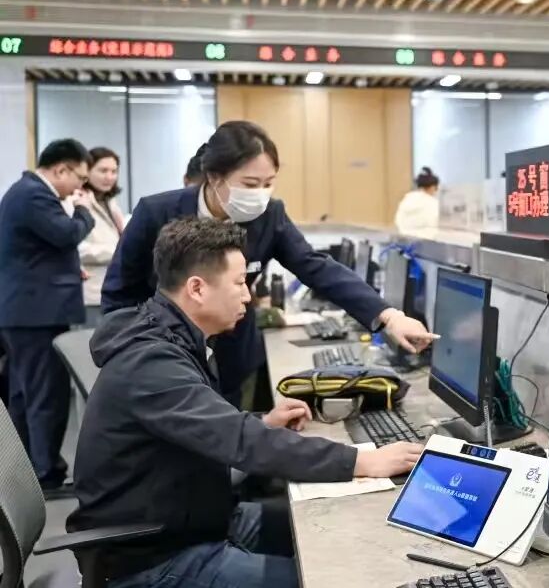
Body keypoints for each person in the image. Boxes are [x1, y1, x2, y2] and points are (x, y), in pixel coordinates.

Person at [68, 217, 422, 587]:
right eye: (239, 283)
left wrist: (263, 423)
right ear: (197, 288)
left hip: (196, 517)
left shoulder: (174, 337)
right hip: (153, 556)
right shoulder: (151, 363)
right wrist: (363, 461)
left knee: (343, 533)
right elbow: (242, 442)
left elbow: (212, 426)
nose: (247, 296)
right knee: (336, 580)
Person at [103, 120, 434, 406]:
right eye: (250, 185)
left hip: (232, 352)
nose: (260, 194)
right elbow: (119, 295)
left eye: (268, 183)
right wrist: (138, 355)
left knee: (231, 438)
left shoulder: (269, 215)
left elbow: (315, 266)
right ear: (214, 177)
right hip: (162, 356)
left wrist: (389, 317)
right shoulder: (155, 213)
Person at [0, 138, 95, 492]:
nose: (79, 187)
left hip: (25, 311)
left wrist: (66, 269)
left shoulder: (23, 193)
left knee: (25, 394)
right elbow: (66, 234)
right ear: (61, 169)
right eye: (79, 178)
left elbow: (34, 253)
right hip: (36, 314)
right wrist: (83, 211)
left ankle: (29, 468)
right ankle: (46, 472)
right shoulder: (34, 195)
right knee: (45, 394)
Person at [79, 147, 126, 316]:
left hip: (114, 290)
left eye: (114, 171)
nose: (109, 177)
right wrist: (118, 251)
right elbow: (77, 248)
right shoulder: (77, 200)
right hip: (91, 291)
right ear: (87, 171)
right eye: (103, 171)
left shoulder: (110, 202)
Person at [394, 166, 441, 237]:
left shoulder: (407, 199)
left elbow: (398, 220)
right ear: (432, 187)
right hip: (425, 240)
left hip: (405, 238)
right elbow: (433, 223)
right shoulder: (432, 202)